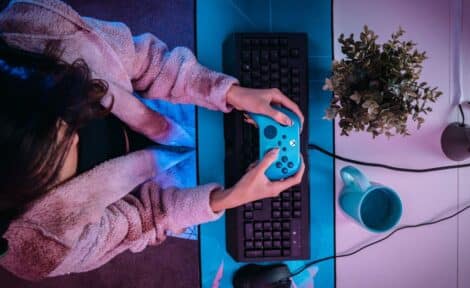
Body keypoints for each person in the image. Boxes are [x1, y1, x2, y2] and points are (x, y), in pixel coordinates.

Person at [0, 0, 305, 281]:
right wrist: (228, 199)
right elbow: (144, 221)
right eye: (54, 157)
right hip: (181, 196)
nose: (75, 136)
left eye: (60, 118)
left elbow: (146, 62)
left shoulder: (29, 27)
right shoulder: (37, 248)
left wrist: (227, 92)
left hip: (178, 107)